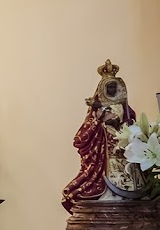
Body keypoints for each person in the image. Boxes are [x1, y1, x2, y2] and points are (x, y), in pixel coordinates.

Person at [62, 60, 144, 212]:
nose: (112, 89)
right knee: (108, 166)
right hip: (105, 143)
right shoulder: (98, 107)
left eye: (114, 86)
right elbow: (89, 127)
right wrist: (100, 120)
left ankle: (130, 193)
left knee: (126, 165)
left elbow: (129, 120)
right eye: (109, 87)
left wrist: (122, 124)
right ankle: (109, 193)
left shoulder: (123, 106)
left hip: (122, 141)